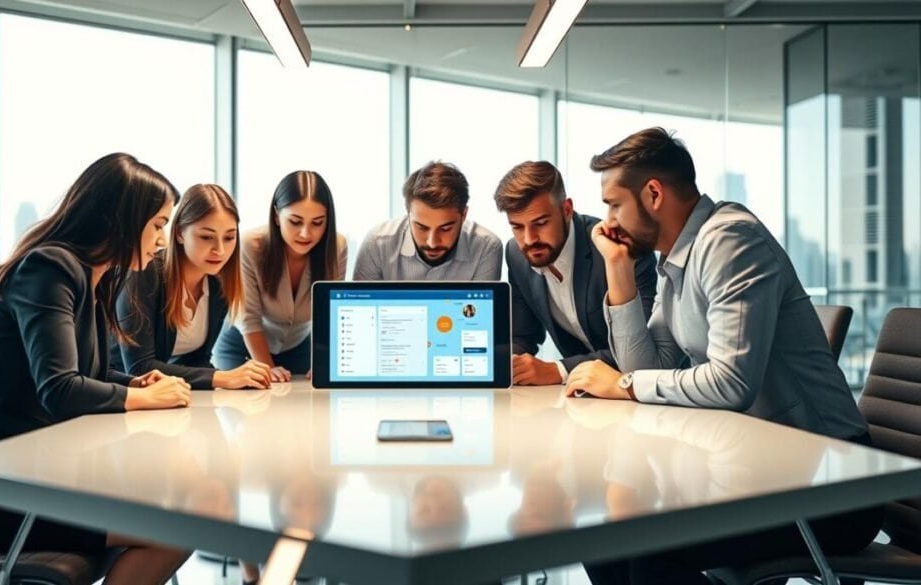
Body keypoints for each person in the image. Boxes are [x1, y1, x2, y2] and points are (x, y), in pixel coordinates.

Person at [564, 127, 880, 585]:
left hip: (831, 487)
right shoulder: (674, 260)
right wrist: (617, 266)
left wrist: (625, 387)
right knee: (603, 531)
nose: (606, 221)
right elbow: (648, 366)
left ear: (653, 193)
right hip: (760, 469)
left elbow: (731, 382)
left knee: (644, 546)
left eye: (614, 203)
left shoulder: (731, 241)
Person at [0, 153, 193, 585]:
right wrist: (141, 398)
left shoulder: (94, 276)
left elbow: (88, 374)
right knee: (176, 527)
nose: (161, 241)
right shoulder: (49, 267)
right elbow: (59, 389)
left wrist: (136, 382)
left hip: (45, 474)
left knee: (183, 509)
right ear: (121, 219)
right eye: (158, 225)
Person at [493, 161, 657, 386]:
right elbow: (523, 335)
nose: (529, 239)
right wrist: (506, 362)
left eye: (540, 223)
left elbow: (645, 349)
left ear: (567, 210)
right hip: (583, 397)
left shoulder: (620, 248)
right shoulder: (515, 253)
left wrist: (558, 370)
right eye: (517, 227)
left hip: (649, 394)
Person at [113, 183, 271, 391]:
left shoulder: (219, 283)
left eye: (229, 237)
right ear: (179, 234)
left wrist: (239, 380)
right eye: (206, 237)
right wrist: (222, 377)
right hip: (114, 392)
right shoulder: (144, 272)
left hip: (160, 398)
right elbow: (139, 367)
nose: (220, 250)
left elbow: (198, 360)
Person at [213, 171, 347, 382]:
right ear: (276, 216)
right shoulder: (250, 245)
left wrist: (324, 360)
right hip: (242, 348)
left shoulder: (337, 247)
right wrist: (266, 367)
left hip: (300, 348)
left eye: (318, 223)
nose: (306, 233)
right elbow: (249, 319)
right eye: (295, 221)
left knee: (303, 412)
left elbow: (331, 313)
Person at [354, 161, 501, 281]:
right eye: (421, 227)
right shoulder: (377, 244)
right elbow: (360, 311)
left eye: (445, 229)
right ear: (408, 213)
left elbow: (481, 315)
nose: (432, 242)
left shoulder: (486, 247)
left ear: (464, 215)